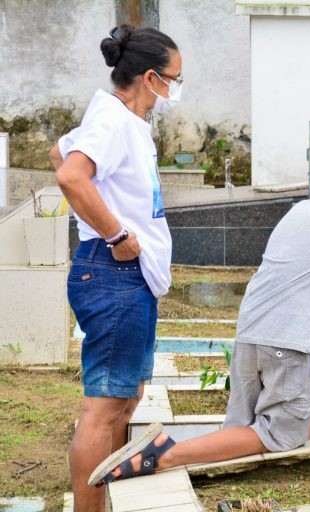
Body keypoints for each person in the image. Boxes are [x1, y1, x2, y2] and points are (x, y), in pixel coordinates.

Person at [88, 158, 310, 485]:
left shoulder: (304, 206)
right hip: (287, 339)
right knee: (281, 435)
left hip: (251, 330)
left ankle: (199, 469)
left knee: (240, 426)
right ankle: (165, 453)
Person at [49, 25, 181, 511]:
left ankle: (101, 504)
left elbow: (58, 152)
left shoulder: (118, 119)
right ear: (150, 77)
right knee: (104, 409)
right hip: (114, 272)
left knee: (125, 399)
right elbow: (69, 174)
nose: (175, 90)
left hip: (129, 277)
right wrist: (117, 235)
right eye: (173, 79)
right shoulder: (112, 119)